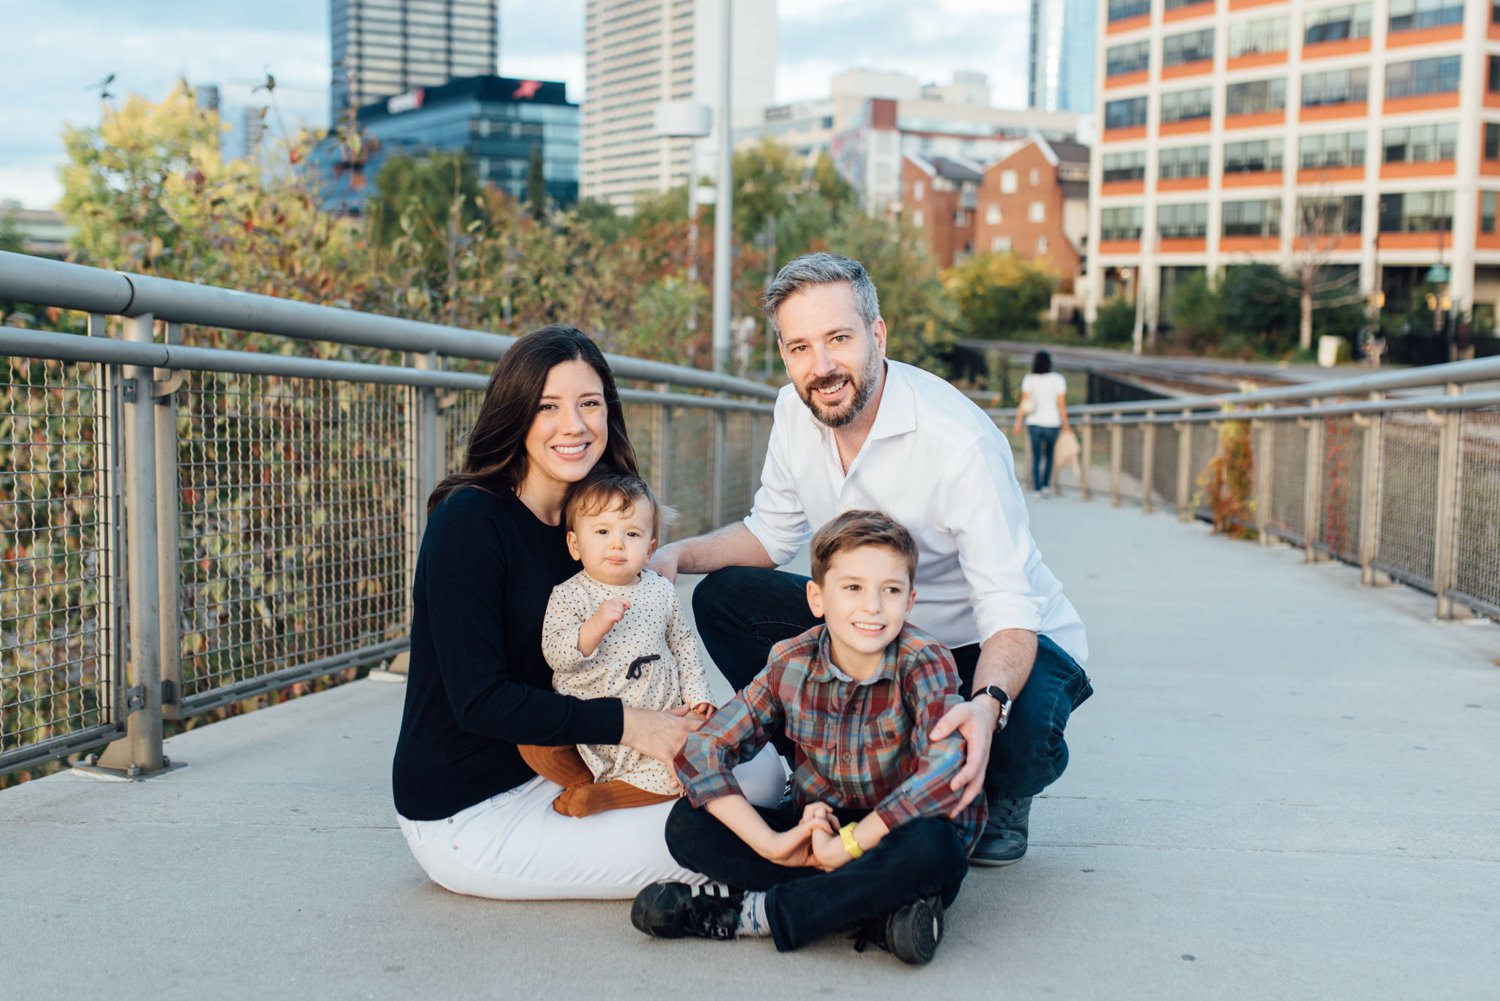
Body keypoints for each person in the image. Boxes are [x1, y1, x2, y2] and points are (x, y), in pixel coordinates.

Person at [650, 252, 1091, 868]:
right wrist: (676, 553)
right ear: (783, 353)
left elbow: (1008, 609)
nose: (822, 366)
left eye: (839, 339)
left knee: (1018, 734)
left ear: (877, 336)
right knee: (725, 598)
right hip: (871, 631)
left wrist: (987, 706)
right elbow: (770, 536)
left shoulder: (958, 441)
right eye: (800, 347)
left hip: (985, 641)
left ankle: (1004, 793)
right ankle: (825, 763)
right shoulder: (792, 413)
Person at [391, 325, 781, 901]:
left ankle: (836, 854)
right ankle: (860, 883)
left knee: (765, 772)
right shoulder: (468, 524)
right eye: (548, 406)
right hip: (475, 813)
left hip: (587, 765)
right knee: (716, 834)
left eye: (589, 404)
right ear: (516, 414)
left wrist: (673, 714)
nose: (573, 425)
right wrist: (634, 725)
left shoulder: (592, 522)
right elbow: (478, 700)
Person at [631, 510, 983, 964]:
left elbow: (942, 773)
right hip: (820, 826)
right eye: (852, 588)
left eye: (890, 590)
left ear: (910, 600)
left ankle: (751, 914)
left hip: (898, 831)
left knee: (937, 850)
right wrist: (772, 843)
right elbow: (704, 750)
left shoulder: (925, 660)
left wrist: (849, 848)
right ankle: (875, 911)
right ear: (817, 598)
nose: (872, 606)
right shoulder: (791, 660)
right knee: (687, 826)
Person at [518, 471, 717, 818]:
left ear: (650, 547)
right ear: (575, 545)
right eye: (602, 532)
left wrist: (699, 694)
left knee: (694, 760)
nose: (617, 544)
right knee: (534, 742)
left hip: (658, 717)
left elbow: (684, 644)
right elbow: (555, 653)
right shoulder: (568, 596)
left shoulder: (660, 590)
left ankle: (606, 796)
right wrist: (592, 629)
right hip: (590, 724)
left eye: (632, 534)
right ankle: (583, 778)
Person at [1012, 350, 1070, 497]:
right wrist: (1066, 424)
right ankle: (1045, 485)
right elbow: (1061, 406)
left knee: (1036, 456)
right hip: (1052, 423)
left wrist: (1018, 422)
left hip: (1034, 423)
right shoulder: (1058, 379)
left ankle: (1037, 488)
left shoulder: (1030, 379)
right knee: (1049, 455)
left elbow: (1024, 403)